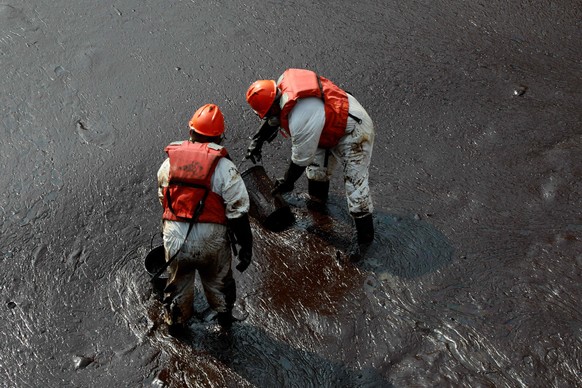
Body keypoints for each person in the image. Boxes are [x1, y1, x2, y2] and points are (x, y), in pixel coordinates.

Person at [244, 68, 375, 262]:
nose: (266, 119)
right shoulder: (281, 87)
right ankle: (319, 207)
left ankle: (365, 238)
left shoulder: (301, 116)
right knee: (316, 173)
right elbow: (273, 118)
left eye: (265, 114)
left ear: (273, 104)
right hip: (325, 126)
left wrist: (287, 182)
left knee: (356, 188)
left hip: (353, 130)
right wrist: (258, 140)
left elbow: (300, 159)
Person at [157, 103, 253, 334]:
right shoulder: (225, 168)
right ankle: (224, 321)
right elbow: (238, 211)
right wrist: (246, 246)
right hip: (212, 240)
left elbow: (164, 199)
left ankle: (176, 329)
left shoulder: (169, 163)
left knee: (177, 286)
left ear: (190, 132)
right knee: (219, 282)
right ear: (220, 137)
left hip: (176, 238)